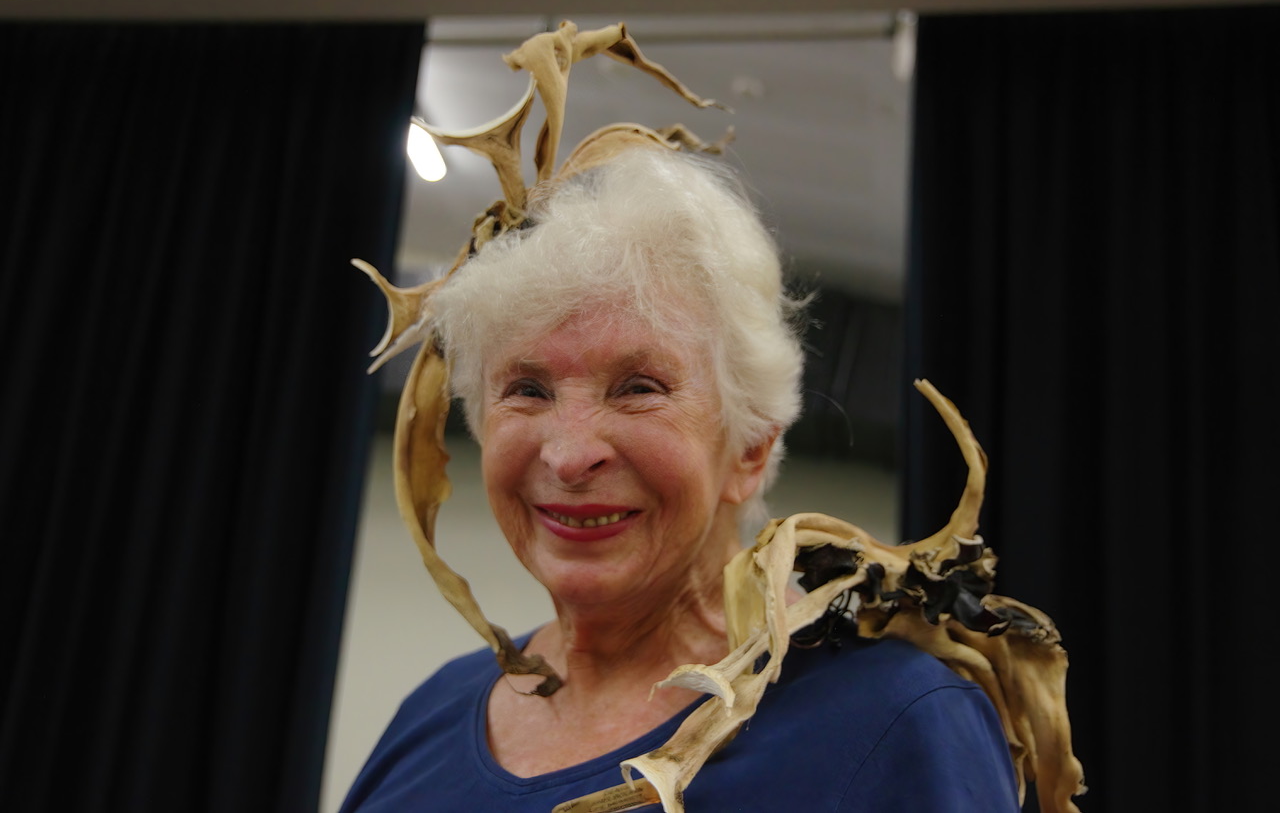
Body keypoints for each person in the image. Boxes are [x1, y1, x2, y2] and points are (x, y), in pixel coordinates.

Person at [337, 145, 1023, 812]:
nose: (569, 455)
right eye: (527, 389)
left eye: (639, 387)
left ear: (750, 448)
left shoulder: (894, 724)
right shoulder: (432, 714)